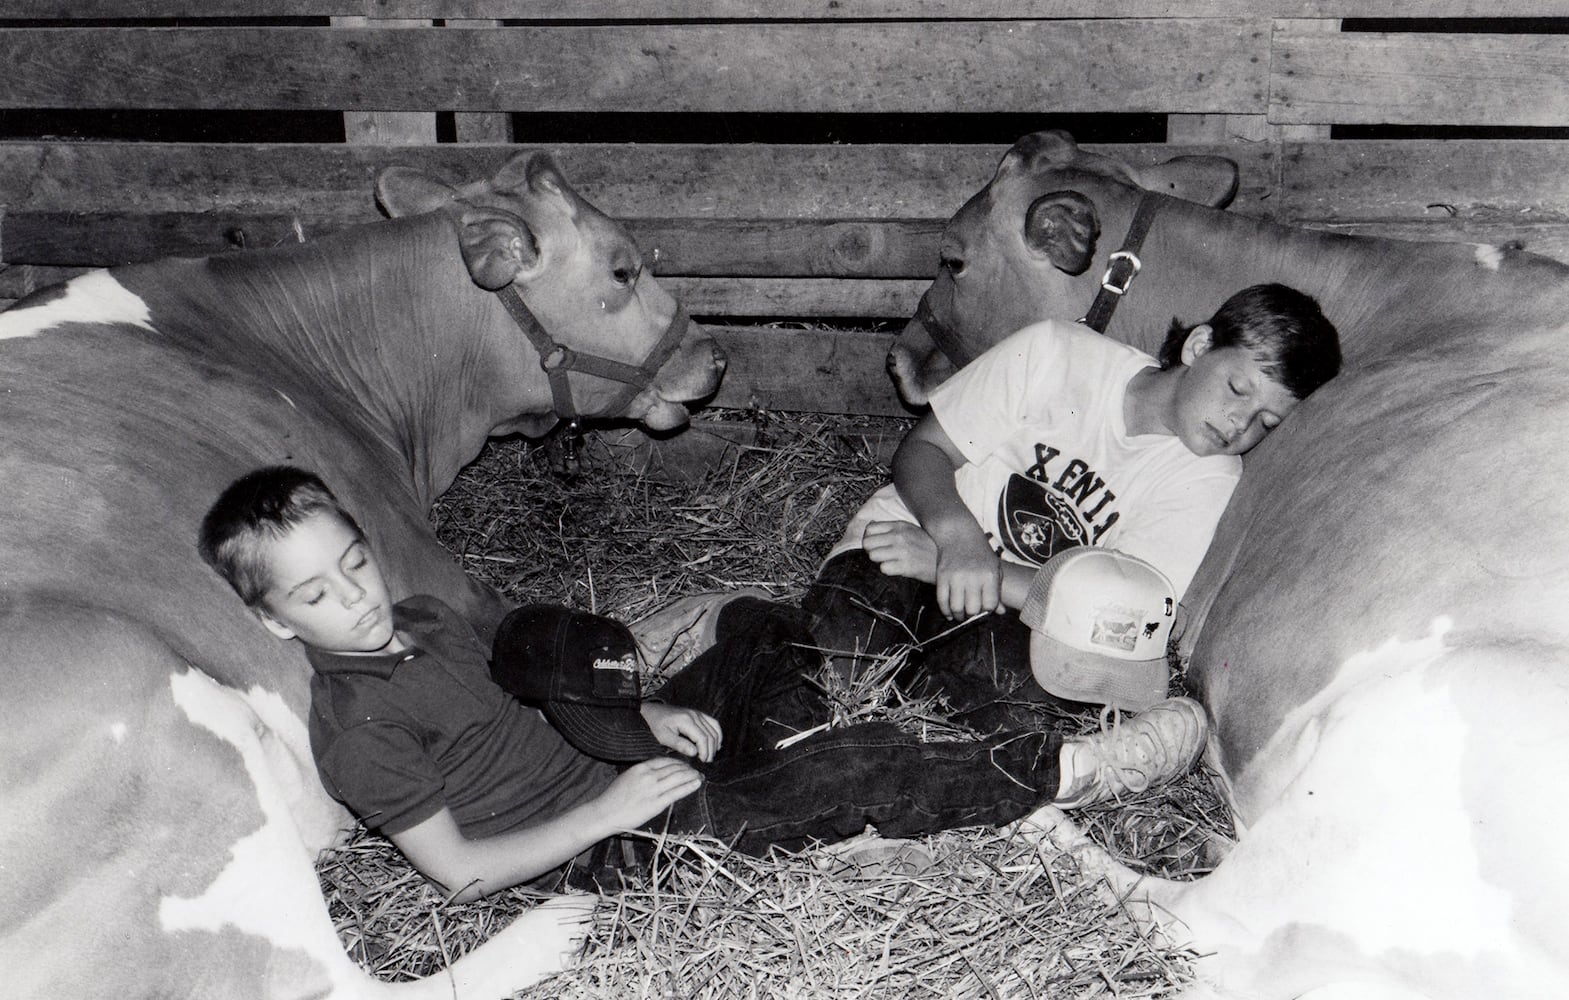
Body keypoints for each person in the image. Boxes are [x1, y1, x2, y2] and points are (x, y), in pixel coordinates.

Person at [196, 465, 1211, 901]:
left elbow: (547, 696)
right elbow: (459, 875)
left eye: (356, 563)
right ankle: (1071, 766)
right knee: (843, 768)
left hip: (626, 756)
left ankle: (822, 742)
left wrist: (650, 712)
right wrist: (609, 813)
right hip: (613, 850)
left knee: (764, 630)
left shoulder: (421, 619)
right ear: (277, 619)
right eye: (318, 595)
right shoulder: (358, 724)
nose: (356, 599)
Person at [800, 283, 1342, 730]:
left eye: (1266, 423)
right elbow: (923, 449)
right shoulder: (1056, 351)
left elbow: (1120, 618)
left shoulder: (1208, 478)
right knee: (824, 675)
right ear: (1199, 347)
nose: (1238, 424)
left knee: (989, 712)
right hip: (908, 537)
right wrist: (955, 540)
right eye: (1236, 389)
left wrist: (964, 567)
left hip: (1020, 613)